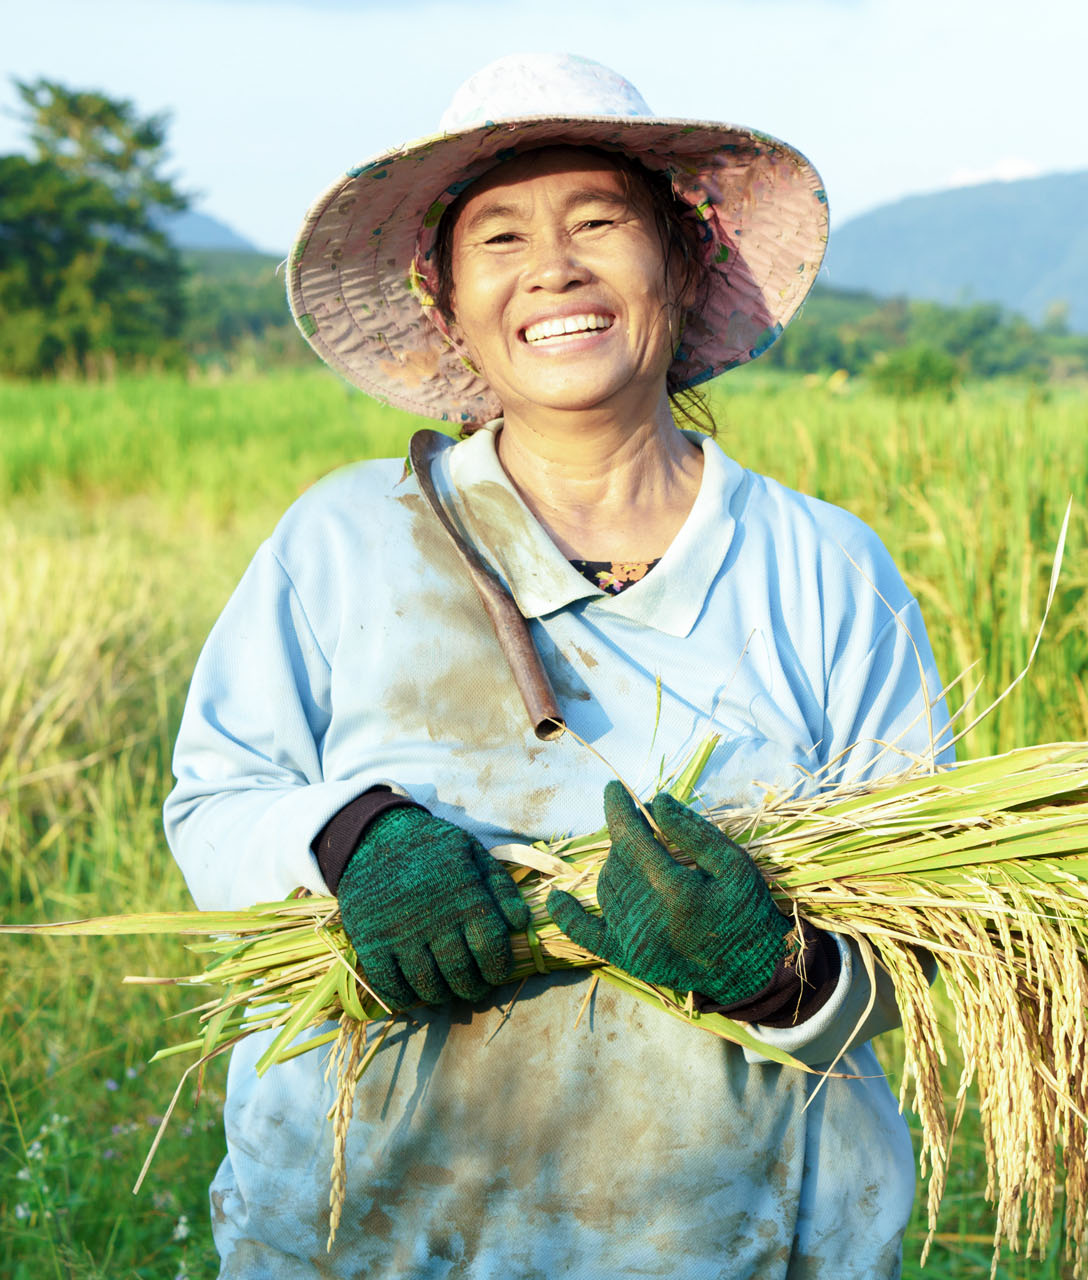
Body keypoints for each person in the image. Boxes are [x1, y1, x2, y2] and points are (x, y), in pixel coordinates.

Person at [163, 52, 951, 1278]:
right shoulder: (348, 538)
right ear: (447, 297)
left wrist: (772, 969)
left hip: (733, 1230)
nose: (554, 269)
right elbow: (214, 807)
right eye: (500, 237)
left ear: (680, 267)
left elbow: (924, 938)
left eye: (599, 222)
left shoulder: (821, 566)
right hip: (376, 1221)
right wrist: (353, 841)